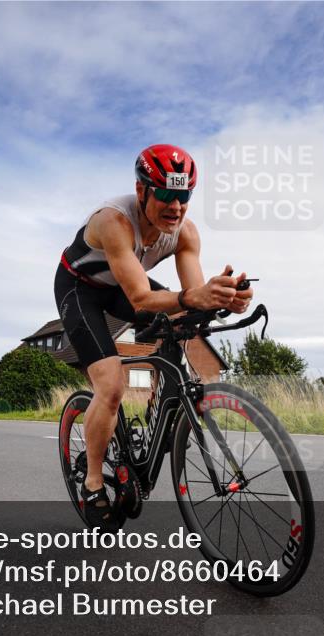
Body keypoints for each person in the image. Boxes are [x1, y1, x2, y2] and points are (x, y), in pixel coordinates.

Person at [55, 144, 253, 528]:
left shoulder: (185, 233)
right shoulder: (114, 221)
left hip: (124, 285)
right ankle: (94, 482)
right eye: (166, 195)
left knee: (185, 322)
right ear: (142, 190)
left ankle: (153, 417)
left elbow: (192, 299)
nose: (176, 207)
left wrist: (226, 298)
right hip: (81, 289)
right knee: (111, 387)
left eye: (184, 197)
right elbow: (142, 298)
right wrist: (191, 298)